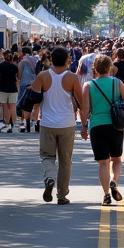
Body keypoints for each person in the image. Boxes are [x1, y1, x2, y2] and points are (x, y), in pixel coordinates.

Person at [32, 46, 84, 204]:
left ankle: (49, 177)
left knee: (47, 156)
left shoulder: (42, 76)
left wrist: (35, 113)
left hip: (47, 122)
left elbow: (34, 98)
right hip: (67, 123)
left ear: (51, 59)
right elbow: (81, 102)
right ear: (68, 60)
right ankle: (62, 195)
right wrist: (85, 123)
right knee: (65, 160)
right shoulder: (72, 78)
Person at [80, 54, 124, 205]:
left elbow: (85, 110)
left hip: (97, 125)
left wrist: (83, 126)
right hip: (115, 125)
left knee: (103, 163)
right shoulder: (117, 83)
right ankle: (114, 181)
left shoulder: (88, 86)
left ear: (94, 69)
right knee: (117, 159)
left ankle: (106, 194)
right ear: (110, 68)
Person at [0, 50, 19, 132]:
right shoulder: (15, 66)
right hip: (13, 88)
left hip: (2, 88)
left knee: (4, 106)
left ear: (4, 56)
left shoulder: (1, 65)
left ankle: (5, 124)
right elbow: (18, 77)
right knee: (12, 107)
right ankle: (14, 125)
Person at [17, 45, 40, 132]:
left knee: (24, 104)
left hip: (25, 84)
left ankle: (23, 123)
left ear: (23, 53)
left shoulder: (23, 61)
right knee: (36, 104)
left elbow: (19, 75)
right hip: (36, 84)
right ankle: (34, 121)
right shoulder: (36, 60)